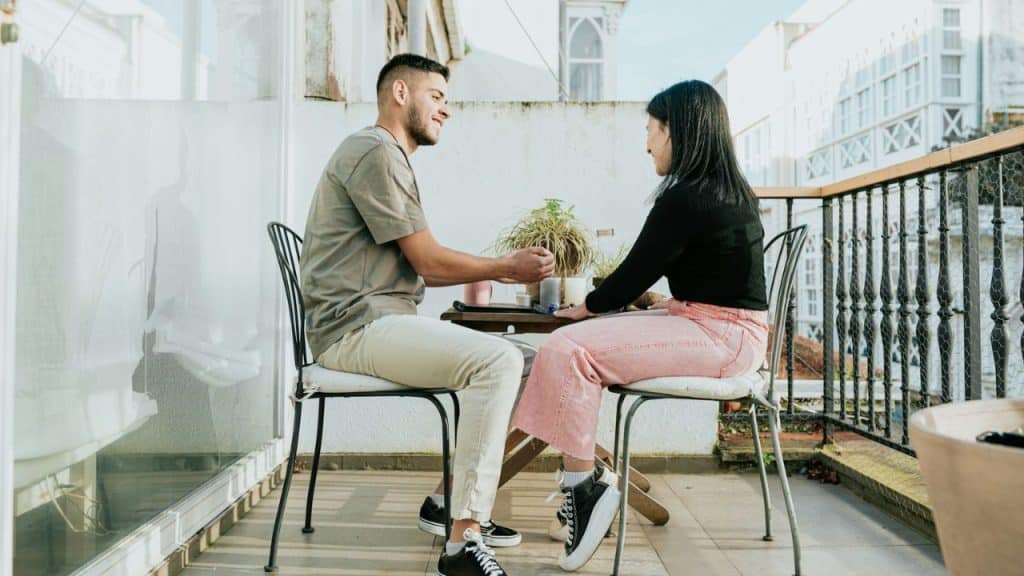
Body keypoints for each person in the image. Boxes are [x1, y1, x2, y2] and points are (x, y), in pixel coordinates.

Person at [300, 54, 554, 576]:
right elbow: (427, 259)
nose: (447, 110)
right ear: (400, 93)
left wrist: (502, 271)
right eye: (437, 97)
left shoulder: (386, 156)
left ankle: (448, 504)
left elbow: (423, 270)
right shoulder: (374, 151)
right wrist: (505, 265)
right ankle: (464, 541)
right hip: (354, 328)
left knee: (528, 362)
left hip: (377, 320)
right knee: (499, 363)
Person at [511, 80, 770, 572]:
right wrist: (635, 301)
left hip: (722, 337)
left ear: (678, 132)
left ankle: (582, 494)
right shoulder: (724, 192)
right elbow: (679, 275)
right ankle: (581, 491)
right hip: (722, 328)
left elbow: (632, 273)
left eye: (651, 128)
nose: (646, 141)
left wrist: (586, 305)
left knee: (568, 349)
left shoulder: (686, 198)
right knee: (570, 348)